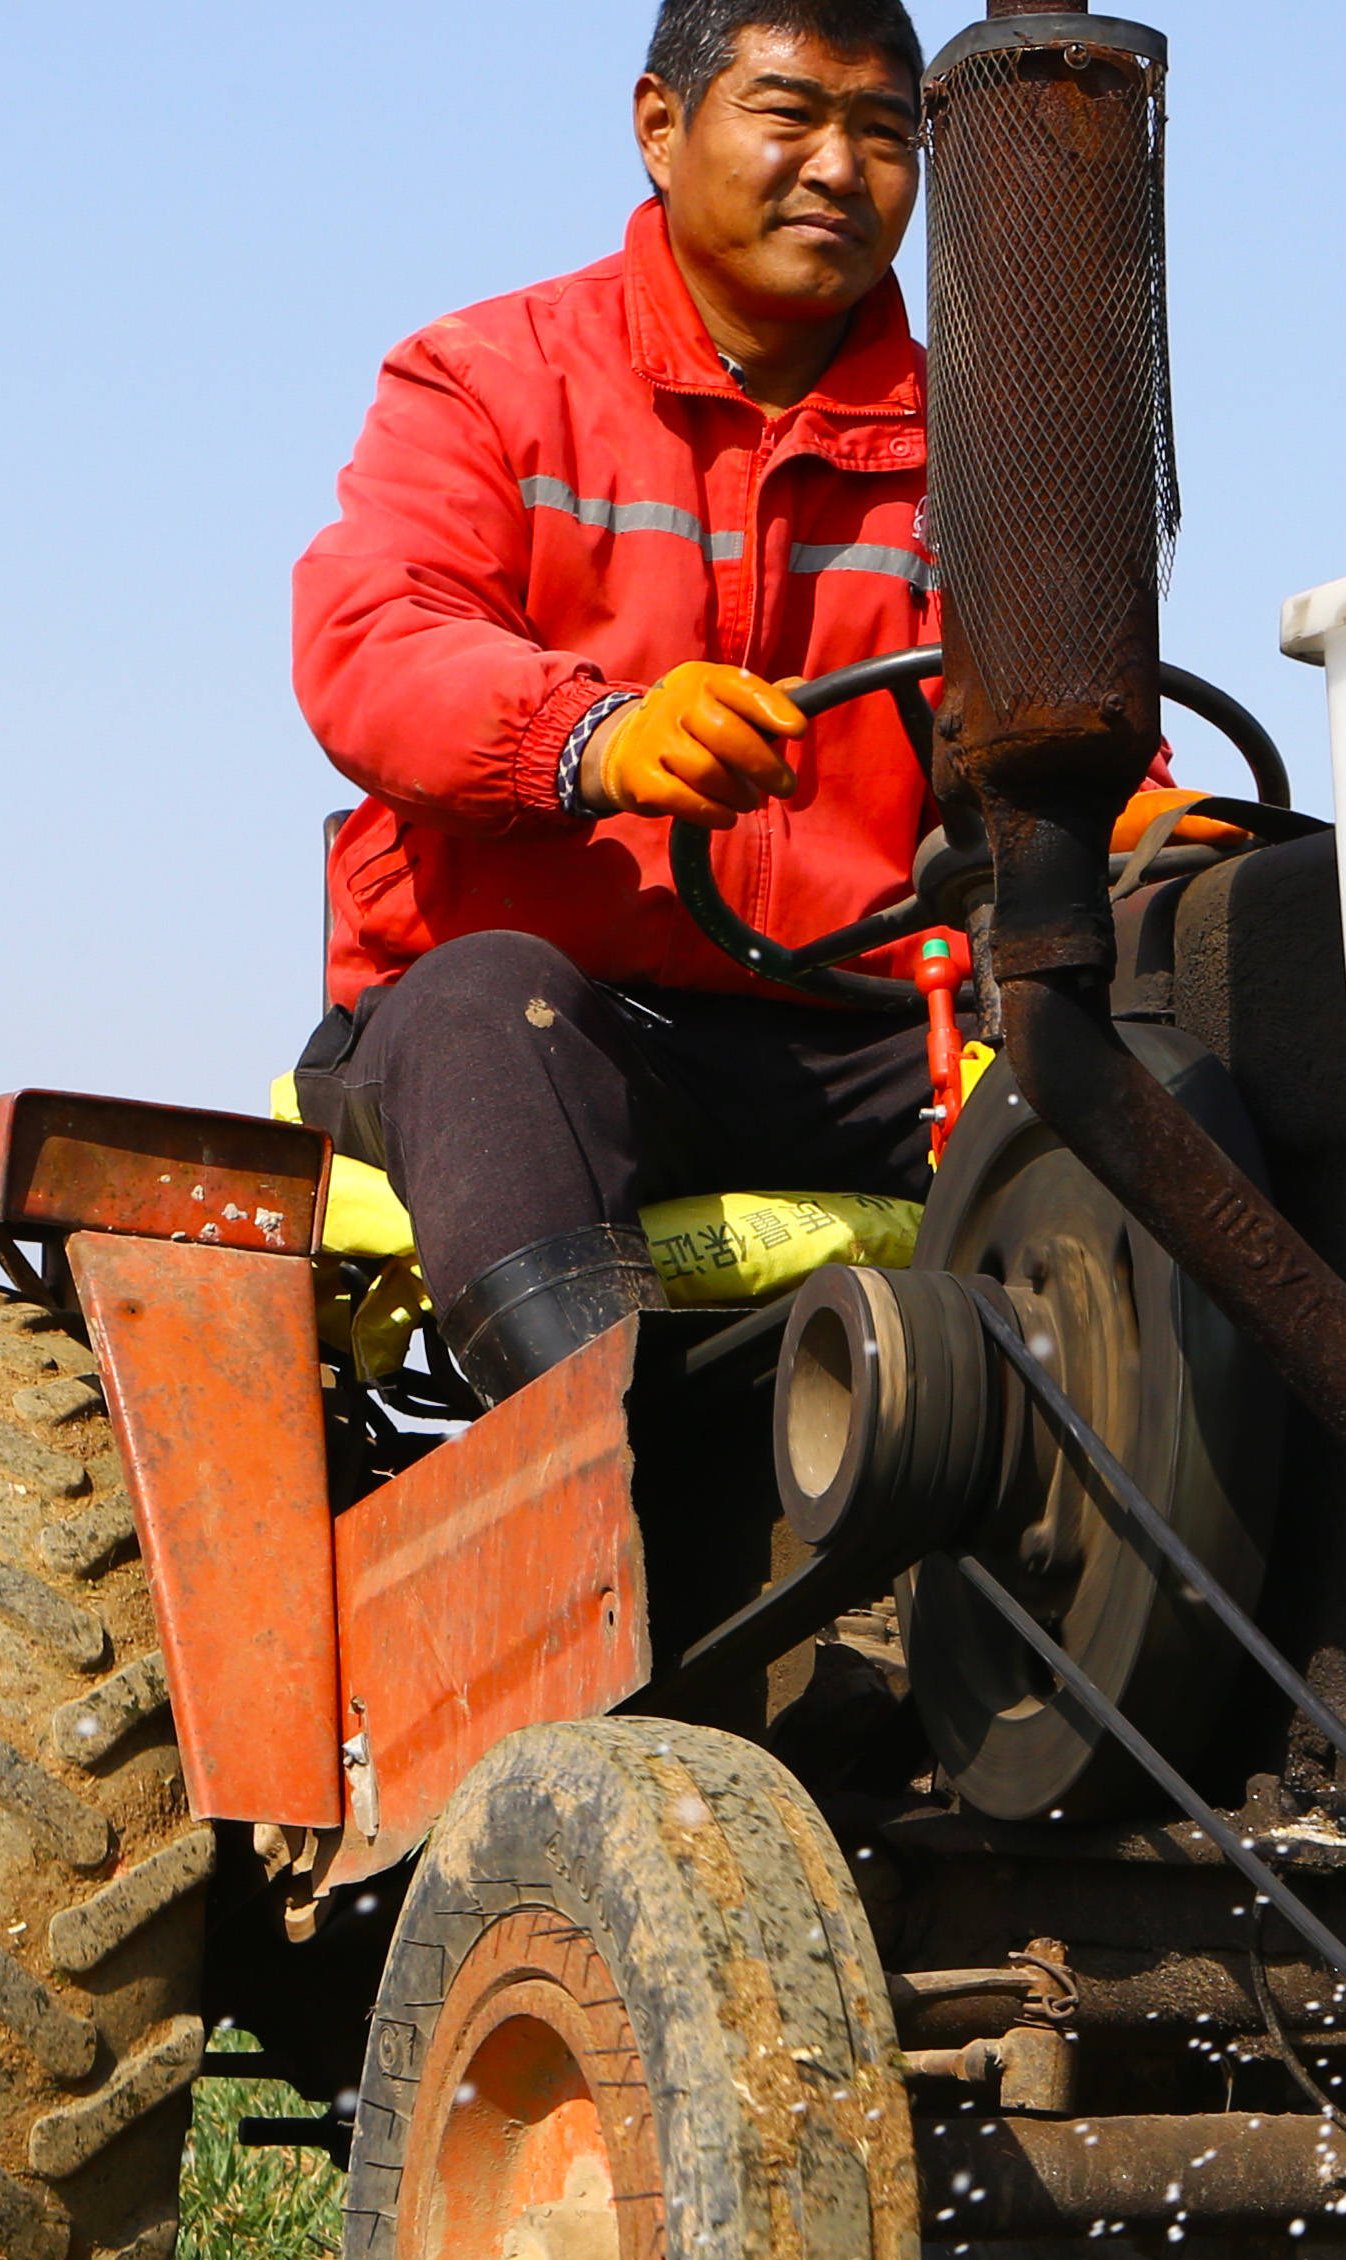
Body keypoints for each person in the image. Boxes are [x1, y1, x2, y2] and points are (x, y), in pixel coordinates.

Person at [286, 0, 948, 1400]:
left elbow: (1037, 748)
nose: (840, 166)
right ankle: (601, 1515)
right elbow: (374, 638)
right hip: (559, 1023)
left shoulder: (977, 447)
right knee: (490, 1008)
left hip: (867, 1036)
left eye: (885, 131)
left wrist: (1143, 818)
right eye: (791, 113)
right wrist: (596, 735)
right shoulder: (484, 378)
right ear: (660, 125)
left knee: (1201, 996)